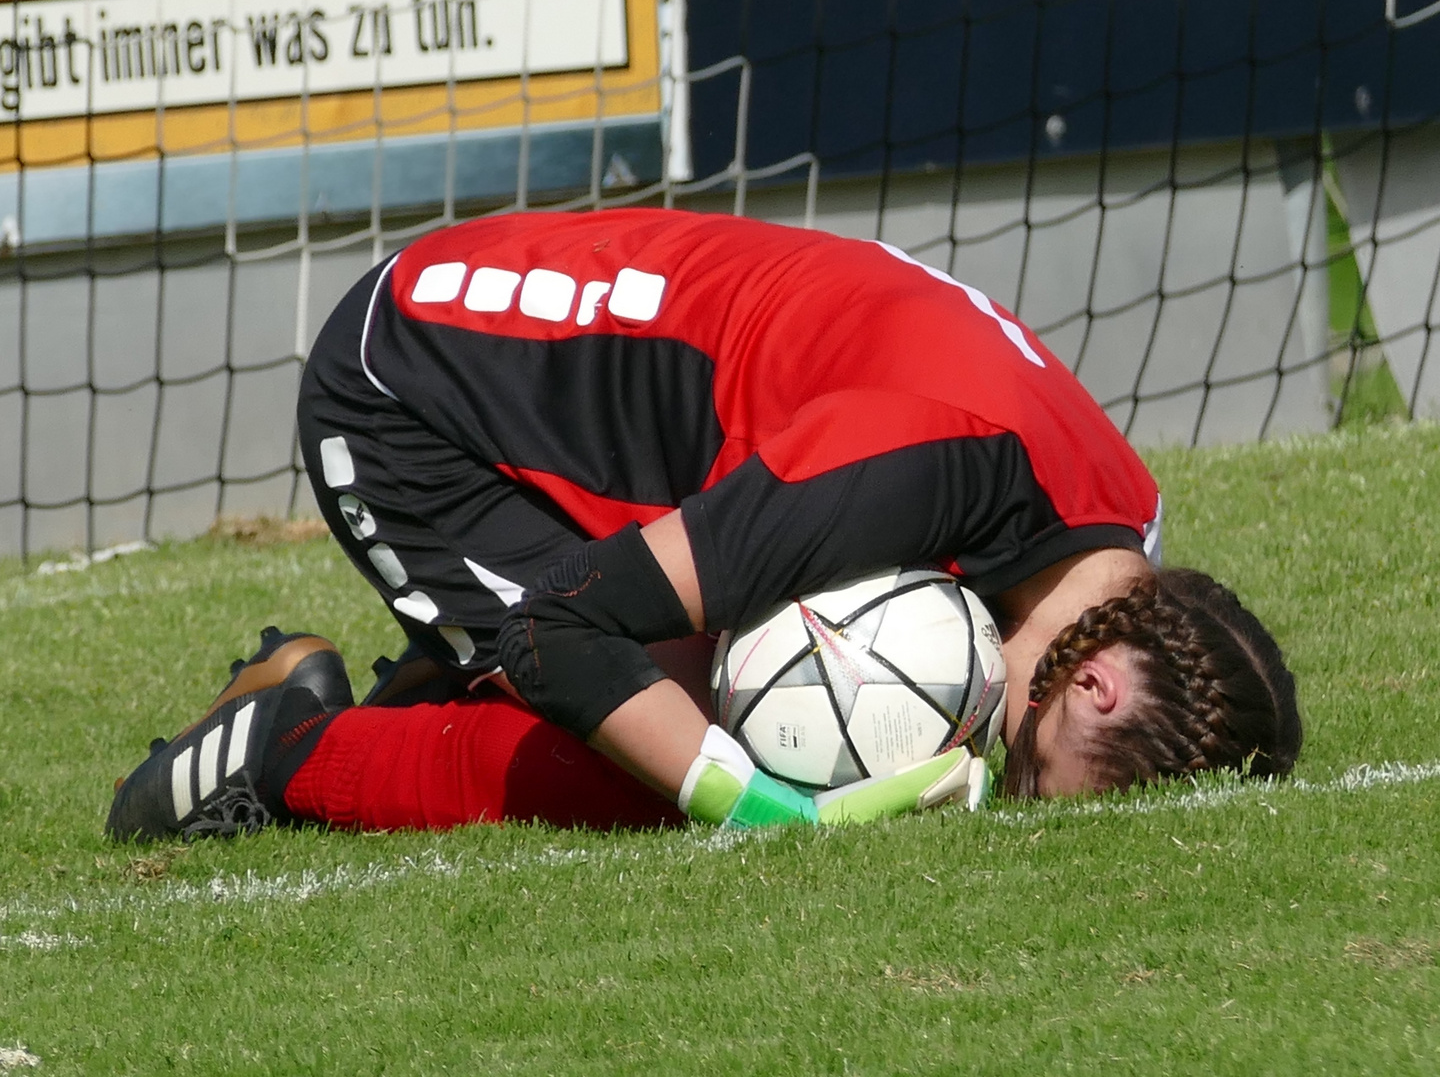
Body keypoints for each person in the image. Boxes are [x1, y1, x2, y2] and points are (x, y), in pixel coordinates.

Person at [106, 209, 1302, 842]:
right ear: (1090, 684)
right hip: (420, 390)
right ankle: (278, 751)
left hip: (632, 423)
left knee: (700, 684)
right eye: (1031, 773)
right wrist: (757, 806)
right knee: (649, 766)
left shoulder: (1117, 522)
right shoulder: (911, 470)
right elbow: (564, 632)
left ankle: (424, 684)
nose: (992, 769)